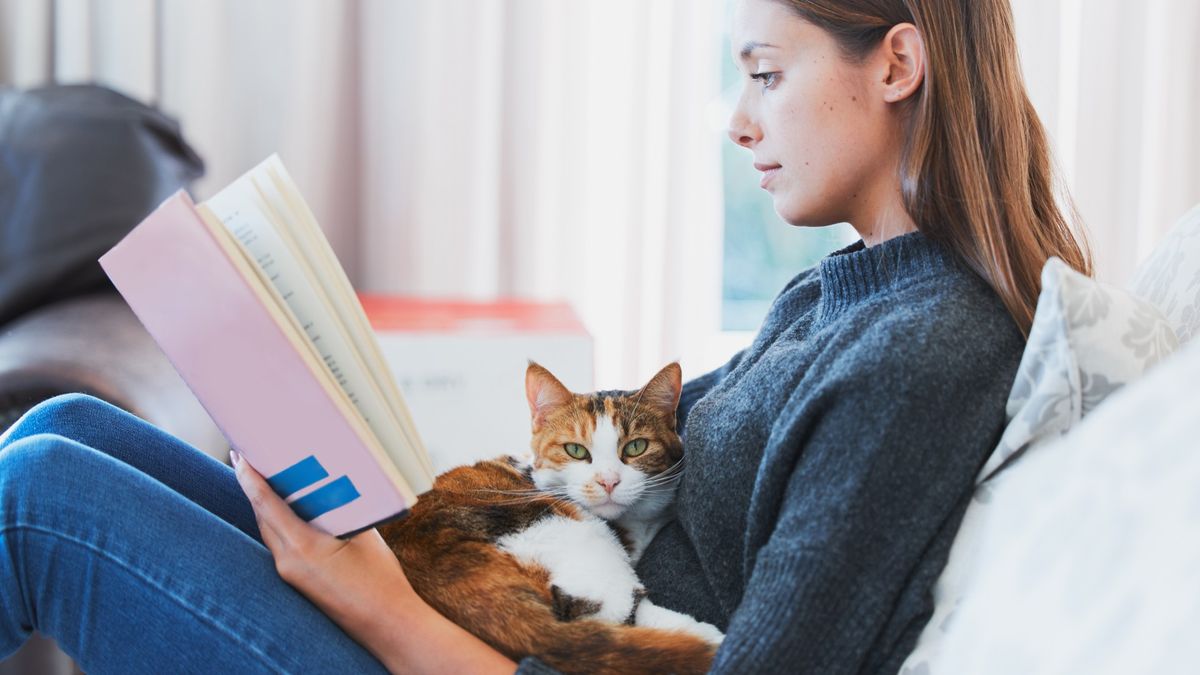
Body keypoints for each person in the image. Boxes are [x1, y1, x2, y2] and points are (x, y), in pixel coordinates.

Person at [0, 0, 1091, 672]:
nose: (737, 117)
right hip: (485, 616)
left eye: (765, 73)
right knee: (67, 423)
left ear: (897, 66)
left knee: (39, 492)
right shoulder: (841, 295)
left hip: (458, 660)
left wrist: (380, 608)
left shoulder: (926, 349)